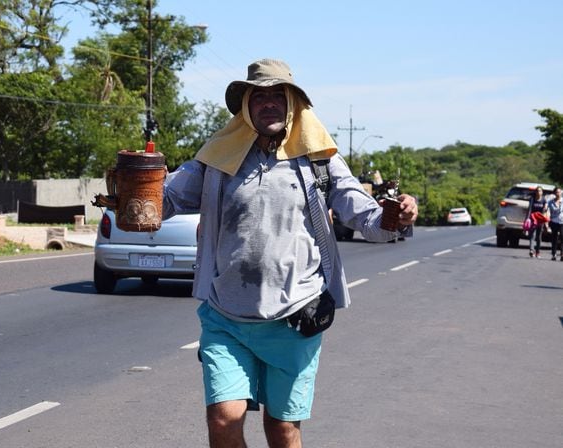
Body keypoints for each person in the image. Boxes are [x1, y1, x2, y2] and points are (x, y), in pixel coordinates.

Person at [162, 59, 418, 447]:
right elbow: (164, 198)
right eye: (258, 96)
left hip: (296, 315)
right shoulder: (216, 158)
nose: (268, 104)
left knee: (281, 430)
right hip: (226, 315)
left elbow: (360, 211)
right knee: (222, 420)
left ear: (293, 104)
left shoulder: (319, 159)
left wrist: (394, 216)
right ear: (246, 106)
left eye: (276, 95)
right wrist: (131, 190)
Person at [526, 186, 548, 258]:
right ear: (535, 192)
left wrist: (545, 208)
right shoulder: (532, 199)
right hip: (533, 219)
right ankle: (531, 250)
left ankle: (537, 252)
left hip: (540, 220)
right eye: (537, 191)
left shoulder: (544, 200)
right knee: (532, 235)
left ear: (542, 192)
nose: (538, 192)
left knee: (539, 237)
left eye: (540, 191)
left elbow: (546, 210)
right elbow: (529, 209)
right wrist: (527, 219)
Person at [547, 187, 562, 260]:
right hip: (554, 222)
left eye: (559, 192)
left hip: (562, 222)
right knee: (554, 239)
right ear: (554, 193)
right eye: (557, 192)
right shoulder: (551, 202)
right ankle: (554, 254)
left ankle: (562, 254)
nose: (558, 193)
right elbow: (550, 211)